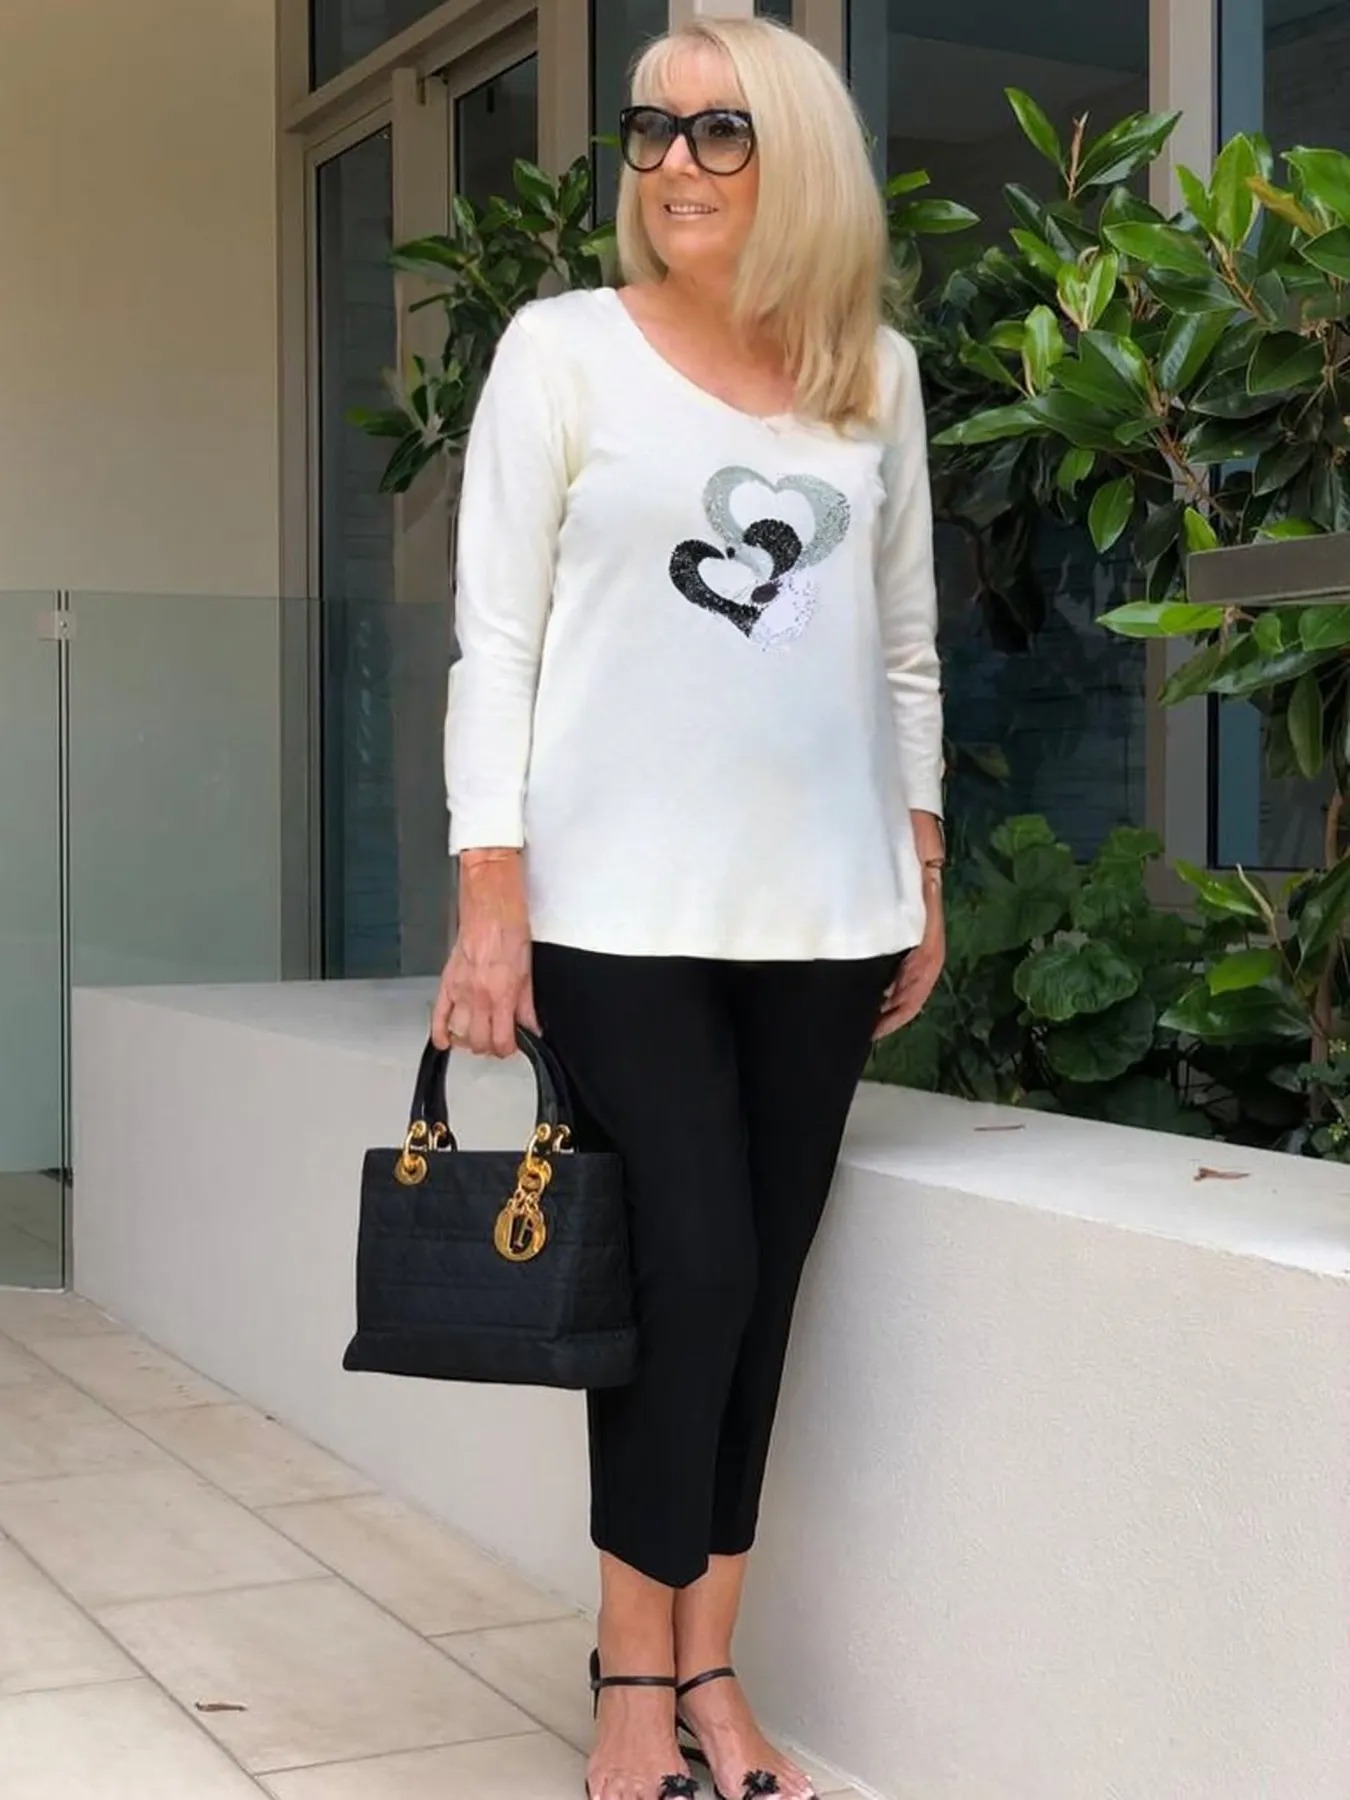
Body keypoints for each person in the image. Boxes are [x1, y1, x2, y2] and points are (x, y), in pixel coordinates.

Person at [432, 17, 945, 1800]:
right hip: (612, 910)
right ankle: (629, 1676)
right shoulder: (561, 350)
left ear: (795, 157)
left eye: (719, 132)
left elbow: (900, 647)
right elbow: (496, 639)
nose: (671, 163)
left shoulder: (870, 375)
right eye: (650, 130)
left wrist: (919, 865)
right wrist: (488, 893)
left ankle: (710, 1666)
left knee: (760, 1285)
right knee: (690, 1269)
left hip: (826, 913)